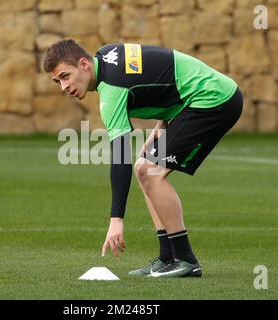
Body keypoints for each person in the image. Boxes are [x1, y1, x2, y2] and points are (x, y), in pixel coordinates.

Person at [43, 39, 242, 278]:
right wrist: (162, 124)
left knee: (149, 170)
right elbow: (163, 73)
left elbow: (119, 157)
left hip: (213, 100)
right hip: (197, 99)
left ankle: (186, 260)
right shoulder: (107, 54)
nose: (63, 86)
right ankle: (167, 258)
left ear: (84, 64)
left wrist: (116, 220)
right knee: (144, 169)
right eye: (57, 81)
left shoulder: (112, 89)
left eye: (65, 76)